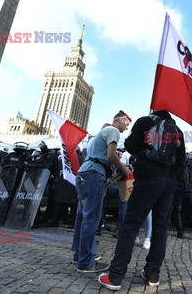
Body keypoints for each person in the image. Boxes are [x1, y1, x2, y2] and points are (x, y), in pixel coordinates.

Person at [99, 110, 185, 290]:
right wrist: (172, 177)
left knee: (131, 225)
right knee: (161, 228)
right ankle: (153, 274)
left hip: (148, 179)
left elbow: (130, 146)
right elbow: (181, 160)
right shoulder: (177, 130)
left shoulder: (145, 121)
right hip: (169, 182)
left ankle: (115, 276)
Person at [72, 111, 132, 273]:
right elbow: (110, 155)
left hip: (85, 174)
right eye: (127, 124)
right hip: (93, 176)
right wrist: (123, 169)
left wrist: (116, 168)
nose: (127, 128)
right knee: (91, 220)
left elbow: (103, 157)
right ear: (120, 120)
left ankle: (79, 255)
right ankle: (85, 263)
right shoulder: (113, 131)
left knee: (82, 217)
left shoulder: (96, 136)